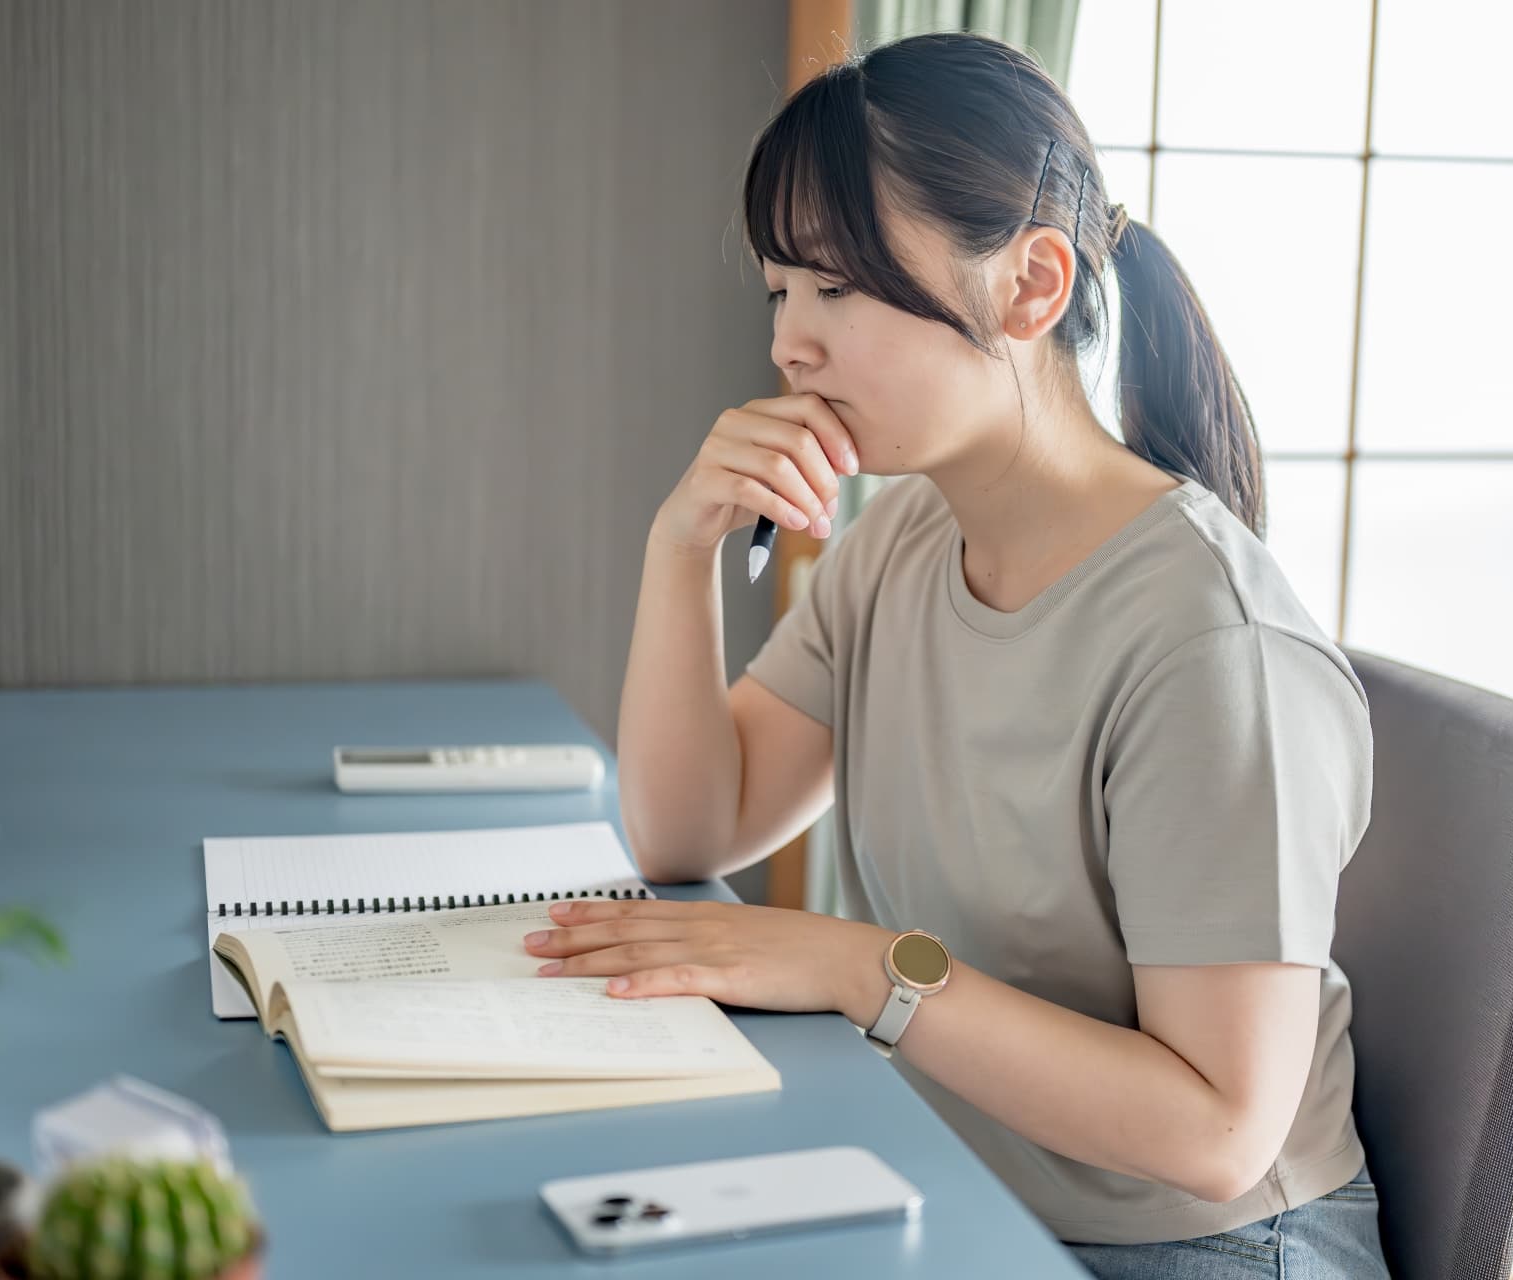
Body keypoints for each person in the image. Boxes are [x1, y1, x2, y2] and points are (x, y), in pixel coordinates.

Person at [522, 31, 1389, 1280]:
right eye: (780, 291)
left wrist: (858, 965)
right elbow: (688, 834)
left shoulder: (1209, 643)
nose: (789, 344)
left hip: (1204, 1246)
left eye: (838, 287)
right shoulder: (905, 539)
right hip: (953, 1185)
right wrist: (680, 548)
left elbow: (1215, 1129)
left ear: (1030, 288)